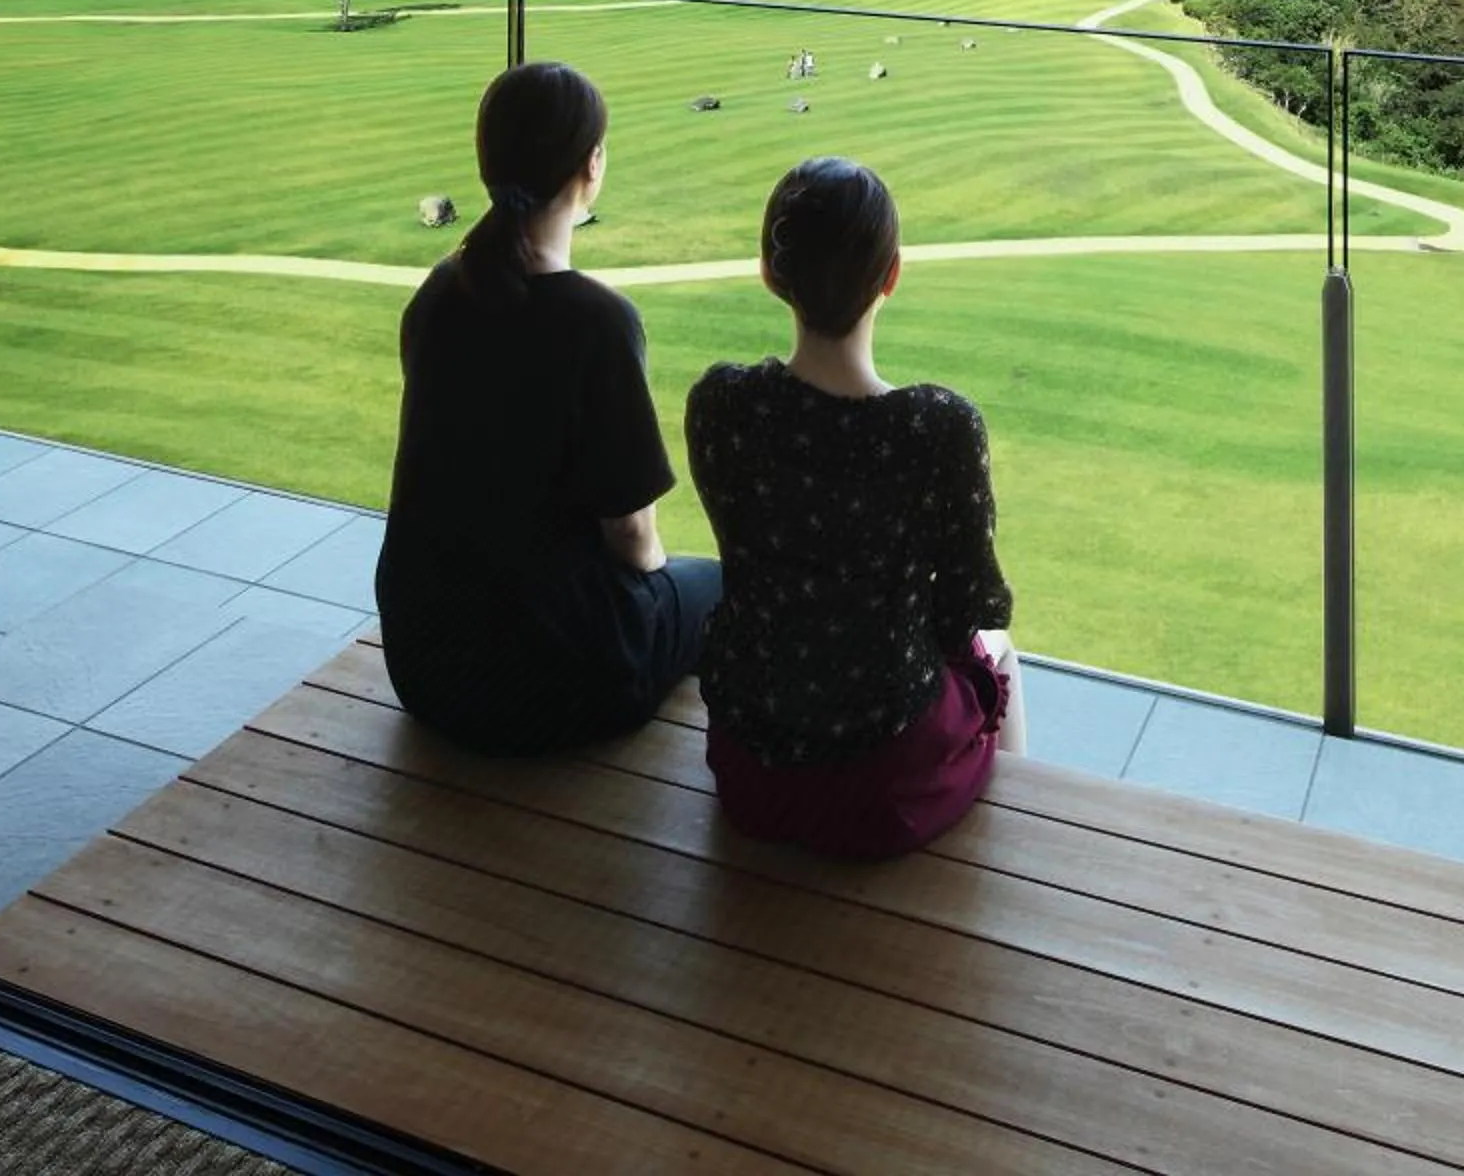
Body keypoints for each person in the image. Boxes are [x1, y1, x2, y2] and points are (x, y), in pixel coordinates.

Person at [377, 62, 720, 755]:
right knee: (718, 585)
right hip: (558, 681)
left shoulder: (438, 295)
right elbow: (632, 538)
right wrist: (659, 587)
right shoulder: (596, 322)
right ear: (592, 164)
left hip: (423, 662)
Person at [688, 157, 1026, 858]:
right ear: (891, 274)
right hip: (886, 790)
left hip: (751, 770)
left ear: (770, 273)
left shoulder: (721, 404)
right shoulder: (937, 426)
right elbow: (976, 608)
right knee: (1000, 655)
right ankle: (1010, 847)